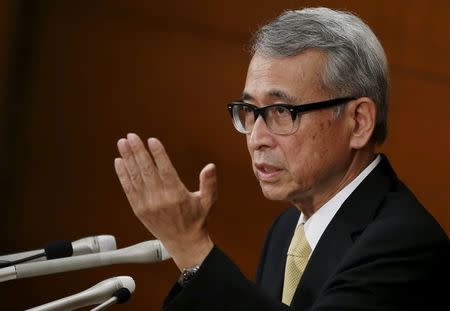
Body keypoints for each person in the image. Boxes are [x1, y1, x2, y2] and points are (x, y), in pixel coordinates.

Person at [113, 7, 449, 310]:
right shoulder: (287, 228)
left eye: (281, 111)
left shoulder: (405, 244)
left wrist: (190, 247)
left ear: (358, 122)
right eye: (250, 112)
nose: (257, 138)